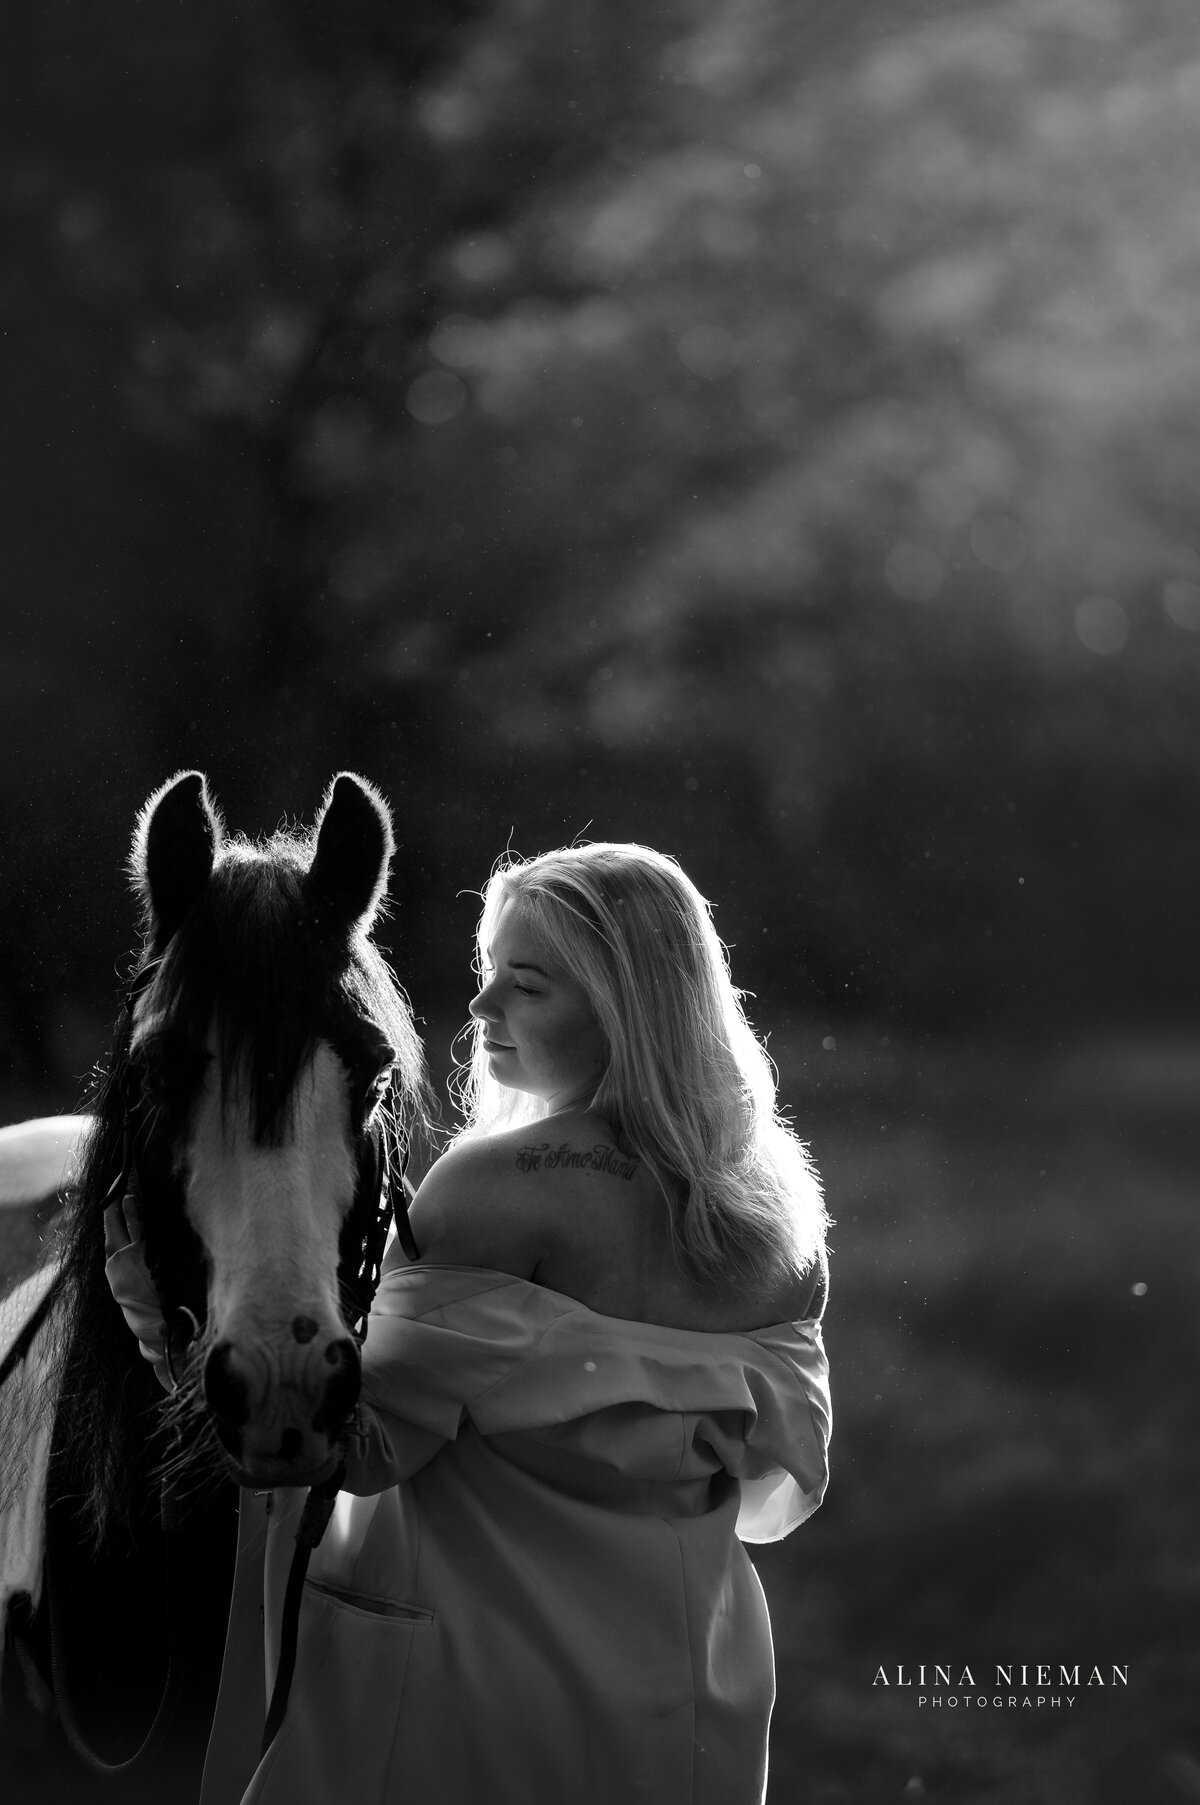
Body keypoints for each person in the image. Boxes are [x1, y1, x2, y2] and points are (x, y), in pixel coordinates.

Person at [126, 843, 833, 1805]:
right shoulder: (779, 1219)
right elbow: (766, 1485)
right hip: (688, 1690)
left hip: (473, 1685)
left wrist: (150, 1298)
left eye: (527, 984)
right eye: (486, 971)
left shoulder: (494, 1191)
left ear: (628, 1006)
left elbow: (349, 1448)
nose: (482, 1008)